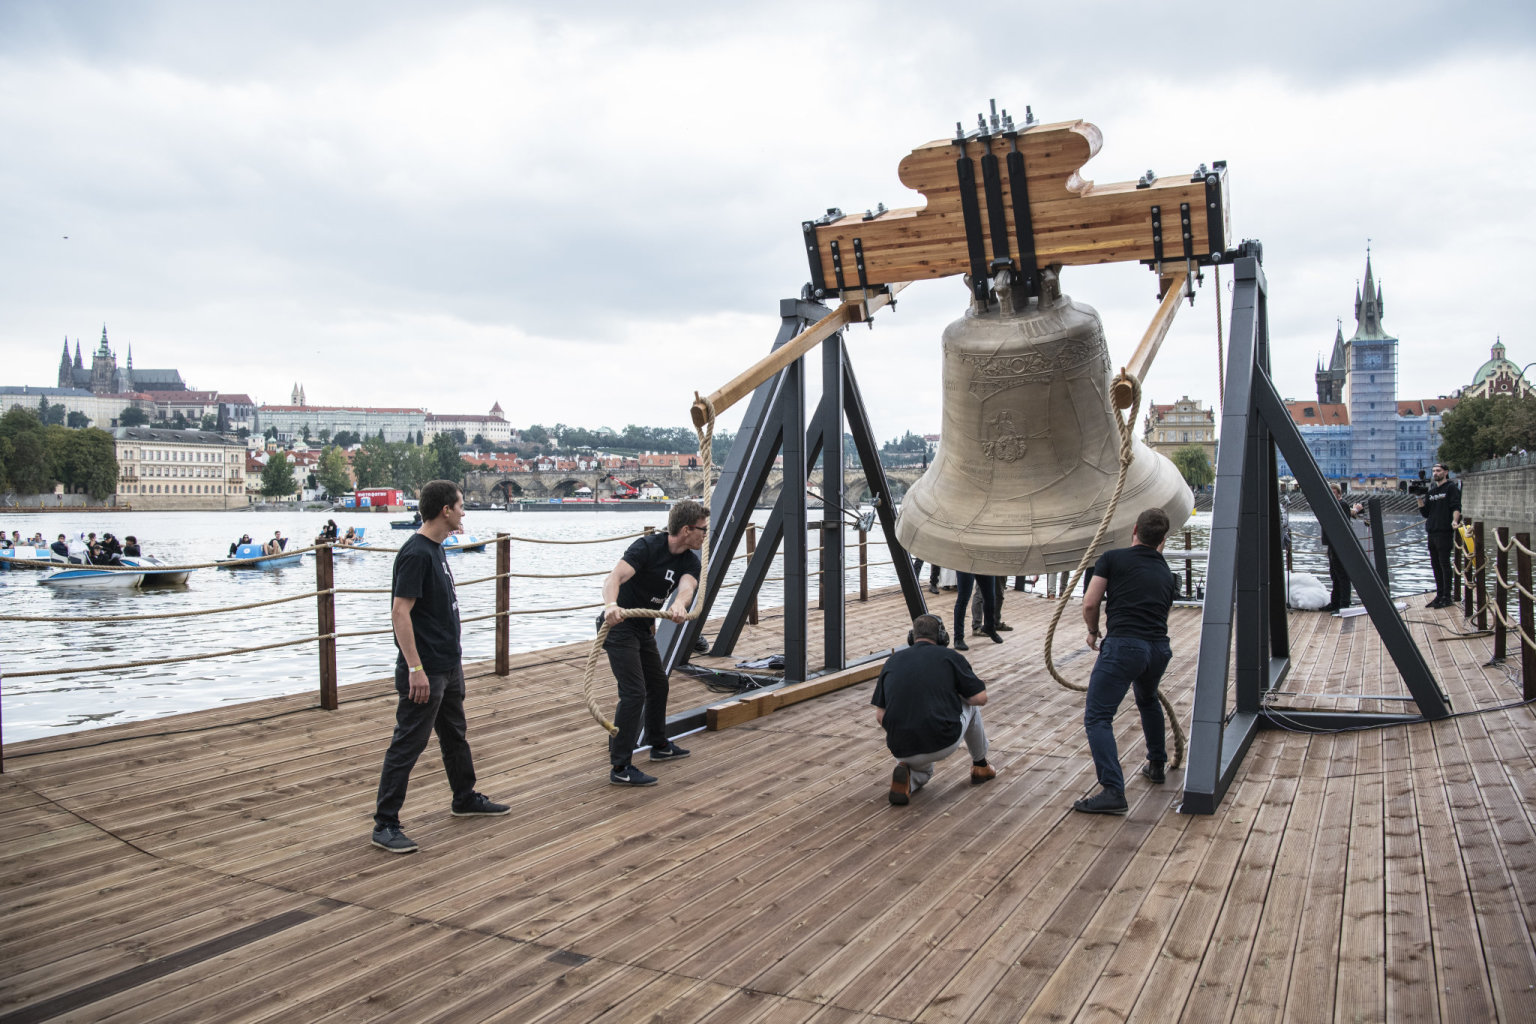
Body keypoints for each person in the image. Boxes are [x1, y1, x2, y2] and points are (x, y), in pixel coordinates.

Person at [371, 479, 509, 854]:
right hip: (426, 670)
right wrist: (415, 668)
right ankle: (385, 823)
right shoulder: (416, 553)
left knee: (454, 736)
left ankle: (464, 797)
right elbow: (400, 613)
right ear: (446, 510)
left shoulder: (436, 550)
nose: (464, 512)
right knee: (409, 743)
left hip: (448, 665)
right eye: (461, 506)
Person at [1073, 507, 1179, 815]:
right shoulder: (1165, 573)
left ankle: (1112, 790)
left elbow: (1091, 602)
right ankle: (1156, 764)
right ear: (1163, 539)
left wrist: (1093, 631)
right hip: (1158, 649)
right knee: (1147, 701)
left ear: (1134, 529)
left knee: (1097, 718)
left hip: (1124, 647)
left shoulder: (1112, 559)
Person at [600, 499, 707, 786]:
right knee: (634, 692)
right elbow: (614, 578)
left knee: (657, 684)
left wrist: (680, 606)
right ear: (686, 529)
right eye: (703, 530)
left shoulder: (689, 560)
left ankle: (658, 745)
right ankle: (620, 766)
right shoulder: (647, 548)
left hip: (644, 629)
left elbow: (686, 588)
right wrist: (611, 604)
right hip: (619, 627)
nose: (705, 535)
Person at [872, 613, 995, 805]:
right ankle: (980, 765)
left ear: (912, 637)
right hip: (942, 740)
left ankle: (907, 781)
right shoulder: (950, 657)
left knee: (924, 770)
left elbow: (880, 716)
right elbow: (980, 698)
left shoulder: (892, 661)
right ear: (942, 637)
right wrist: (954, 694)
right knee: (970, 705)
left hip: (900, 747)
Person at [1418, 463, 1462, 608]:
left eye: (1438, 471)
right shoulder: (1431, 492)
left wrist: (1455, 521)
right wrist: (1418, 498)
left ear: (1446, 472)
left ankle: (1447, 596)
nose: (1435, 473)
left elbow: (1456, 507)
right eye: (1434, 471)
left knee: (1444, 564)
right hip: (1432, 532)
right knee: (1435, 564)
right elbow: (1425, 513)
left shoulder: (1451, 488)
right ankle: (1439, 594)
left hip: (1444, 531)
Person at [1322, 484, 1363, 613]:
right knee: (1334, 574)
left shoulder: (1342, 504)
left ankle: (1344, 604)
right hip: (1332, 544)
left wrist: (1355, 511)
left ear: (1338, 494)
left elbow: (1343, 522)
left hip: (1339, 544)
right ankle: (1335, 602)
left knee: (1342, 575)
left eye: (1334, 492)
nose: (1332, 495)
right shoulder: (1329, 505)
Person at [952, 571, 1001, 651]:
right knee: (963, 599)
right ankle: (958, 637)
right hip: (966, 564)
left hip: (984, 564)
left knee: (990, 598)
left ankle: (989, 627)